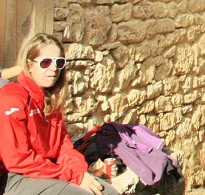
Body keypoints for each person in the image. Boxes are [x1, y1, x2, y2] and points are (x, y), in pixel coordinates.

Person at [0, 33, 118, 195]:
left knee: (109, 193)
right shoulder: (12, 98)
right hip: (12, 176)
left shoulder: (51, 98)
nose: (54, 68)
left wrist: (79, 171)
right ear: (29, 65)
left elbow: (63, 145)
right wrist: (71, 176)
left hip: (44, 169)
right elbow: (18, 160)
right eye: (45, 62)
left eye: (59, 62)